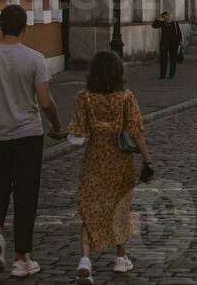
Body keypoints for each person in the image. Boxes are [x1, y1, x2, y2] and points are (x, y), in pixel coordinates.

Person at [0, 4, 65, 278]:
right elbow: (45, 101)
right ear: (24, 29)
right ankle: (22, 258)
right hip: (28, 134)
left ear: (0, 27)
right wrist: (56, 125)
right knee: (25, 194)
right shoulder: (34, 59)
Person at [69, 51, 152, 281]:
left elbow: (78, 133)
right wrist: (147, 160)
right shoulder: (126, 98)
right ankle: (120, 258)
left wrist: (62, 132)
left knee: (91, 208)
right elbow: (136, 131)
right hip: (119, 162)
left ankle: (85, 259)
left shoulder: (83, 97)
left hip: (95, 159)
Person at [151, 10, 182, 80]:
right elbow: (154, 26)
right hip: (164, 44)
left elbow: (179, 33)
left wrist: (180, 41)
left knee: (173, 59)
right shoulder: (162, 23)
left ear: (170, 16)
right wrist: (157, 19)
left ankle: (171, 74)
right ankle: (162, 75)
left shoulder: (175, 23)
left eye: (167, 16)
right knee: (163, 60)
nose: (166, 17)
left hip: (174, 44)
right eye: (164, 16)